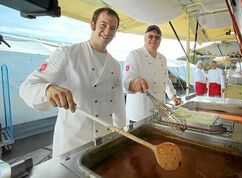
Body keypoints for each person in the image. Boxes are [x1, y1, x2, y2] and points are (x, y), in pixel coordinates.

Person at [19, 7, 126, 158]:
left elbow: (118, 100)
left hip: (105, 140)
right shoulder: (67, 54)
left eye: (113, 28)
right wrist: (48, 89)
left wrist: (122, 131)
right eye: (103, 25)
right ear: (92, 24)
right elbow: (27, 87)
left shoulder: (114, 64)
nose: (107, 31)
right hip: (73, 144)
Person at [123, 25, 181, 124]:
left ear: (160, 41)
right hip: (140, 113)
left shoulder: (162, 58)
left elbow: (166, 80)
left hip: (160, 110)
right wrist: (135, 83)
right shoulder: (134, 55)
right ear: (144, 38)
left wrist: (173, 96)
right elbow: (127, 80)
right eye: (150, 36)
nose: (154, 39)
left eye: (157, 37)